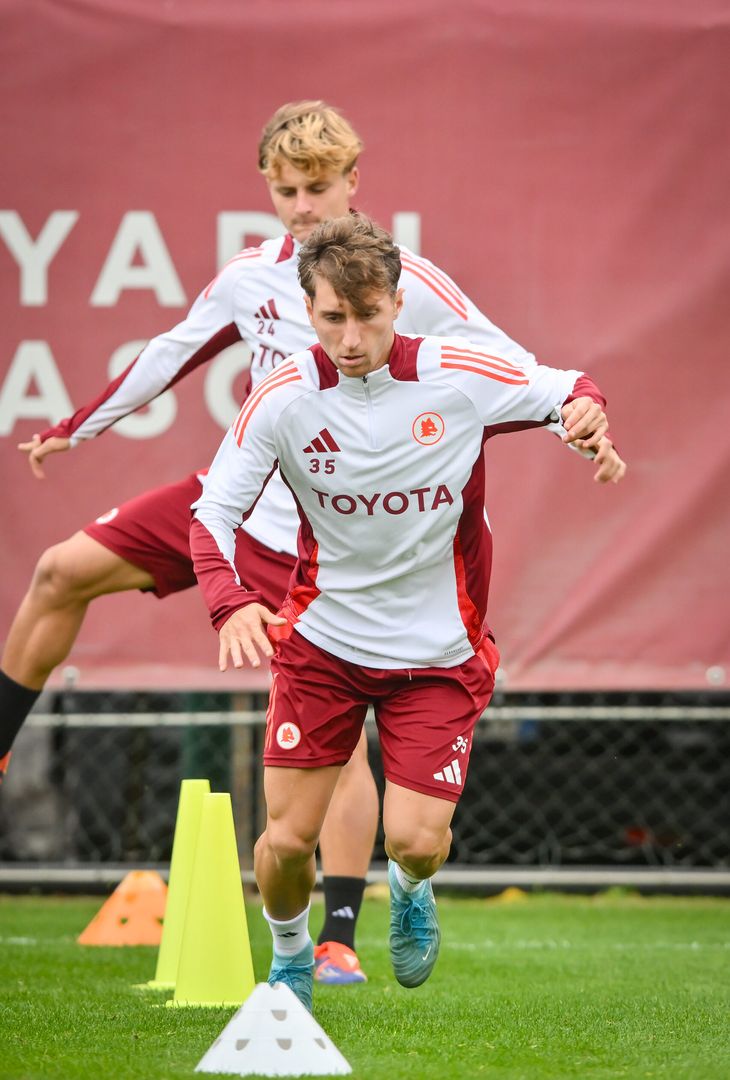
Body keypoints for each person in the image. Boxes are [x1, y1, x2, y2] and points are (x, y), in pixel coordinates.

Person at [1, 101, 624, 983]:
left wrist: (578, 421)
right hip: (260, 506)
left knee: (360, 754)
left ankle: (342, 929)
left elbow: (521, 372)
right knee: (59, 570)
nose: (301, 206)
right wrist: (76, 426)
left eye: (318, 187)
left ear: (353, 185)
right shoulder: (255, 295)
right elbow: (170, 355)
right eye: (286, 190)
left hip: (348, 545)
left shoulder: (421, 294)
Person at [189, 212, 619, 1011]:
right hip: (323, 645)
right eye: (331, 318)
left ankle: (412, 888)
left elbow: (568, 387)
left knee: (419, 841)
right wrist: (229, 605)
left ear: (397, 301)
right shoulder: (281, 400)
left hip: (439, 651)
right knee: (286, 840)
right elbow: (212, 514)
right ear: (306, 310)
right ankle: (290, 958)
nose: (351, 337)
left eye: (367, 315)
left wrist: (586, 416)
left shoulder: (458, 375)